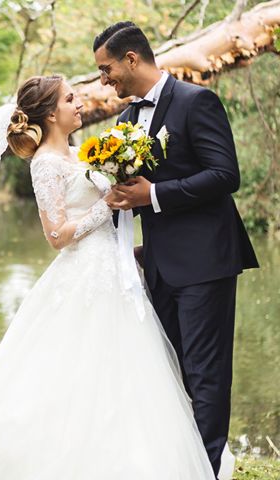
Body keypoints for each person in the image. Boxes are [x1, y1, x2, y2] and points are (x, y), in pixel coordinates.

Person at [0, 74, 221, 480]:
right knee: (72, 369)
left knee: (126, 370)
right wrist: (105, 206)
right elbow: (56, 235)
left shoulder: (85, 154)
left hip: (117, 270)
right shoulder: (45, 164)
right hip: (82, 276)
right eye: (71, 98)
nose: (79, 104)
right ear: (51, 113)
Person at [94, 21, 258, 478]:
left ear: (131, 58)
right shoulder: (126, 121)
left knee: (206, 374)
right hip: (156, 264)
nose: (103, 80)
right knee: (170, 371)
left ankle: (204, 471)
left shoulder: (195, 101)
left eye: (106, 69)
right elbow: (127, 191)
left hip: (206, 260)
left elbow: (225, 175)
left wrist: (154, 195)